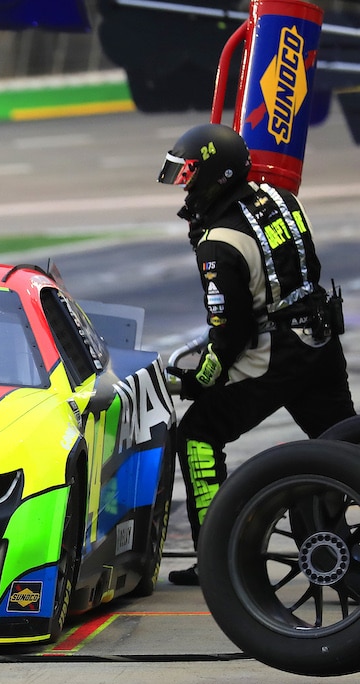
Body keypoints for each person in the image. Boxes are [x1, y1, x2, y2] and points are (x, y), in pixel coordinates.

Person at [158, 123, 355, 586]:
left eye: (189, 177)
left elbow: (230, 333)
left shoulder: (219, 243)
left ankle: (217, 554)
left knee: (198, 432)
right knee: (347, 444)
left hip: (275, 356)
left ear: (213, 177)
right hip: (322, 342)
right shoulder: (283, 198)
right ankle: (333, 528)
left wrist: (198, 380)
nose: (185, 188)